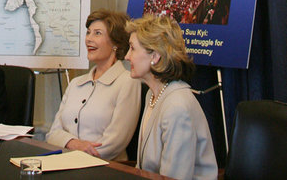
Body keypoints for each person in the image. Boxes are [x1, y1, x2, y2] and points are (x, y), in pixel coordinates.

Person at [125, 15, 217, 179]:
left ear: (155, 56)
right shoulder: (152, 94)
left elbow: (175, 177)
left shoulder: (177, 106)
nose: (126, 56)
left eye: (132, 48)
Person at [46, 10, 142, 161]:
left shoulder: (127, 82)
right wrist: (75, 144)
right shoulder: (75, 83)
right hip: (66, 164)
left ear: (115, 43)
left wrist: (75, 156)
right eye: (88, 32)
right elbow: (52, 134)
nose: (88, 39)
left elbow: (114, 144)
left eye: (97, 33)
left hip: (106, 170)